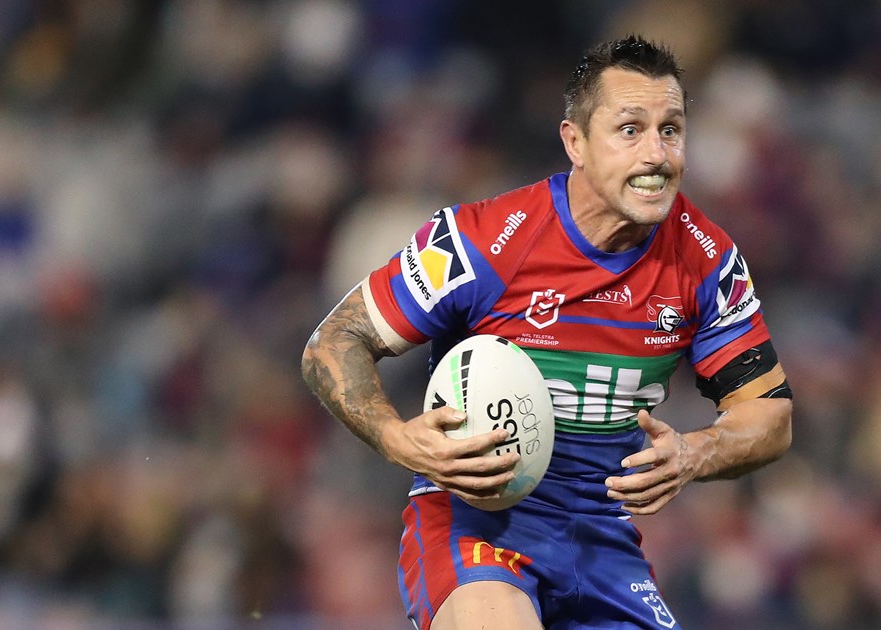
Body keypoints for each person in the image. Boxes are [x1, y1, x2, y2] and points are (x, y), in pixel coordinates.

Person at [301, 35, 793, 630]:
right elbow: (335, 341)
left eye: (671, 130)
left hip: (604, 543)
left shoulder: (706, 260)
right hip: (476, 530)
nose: (656, 154)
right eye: (630, 130)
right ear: (575, 142)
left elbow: (770, 417)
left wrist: (695, 453)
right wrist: (396, 438)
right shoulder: (483, 241)